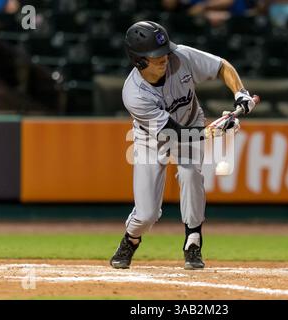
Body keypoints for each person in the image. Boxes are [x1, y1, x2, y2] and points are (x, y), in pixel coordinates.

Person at [110, 21, 258, 270]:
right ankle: (131, 238)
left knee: (191, 176)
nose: (165, 57)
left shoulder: (180, 57)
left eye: (165, 51)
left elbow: (222, 66)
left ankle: (193, 240)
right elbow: (173, 134)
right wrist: (214, 132)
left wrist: (240, 92)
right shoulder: (134, 94)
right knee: (146, 214)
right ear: (139, 60)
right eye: (156, 56)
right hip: (151, 139)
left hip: (191, 121)